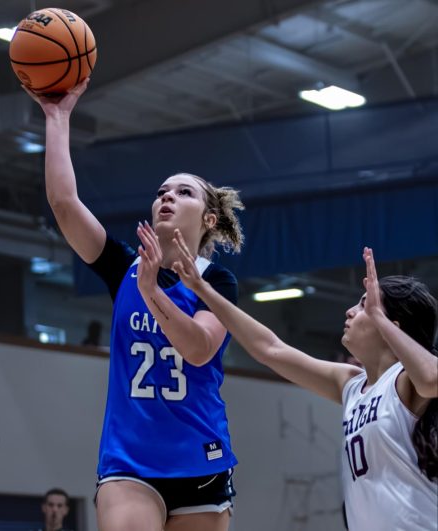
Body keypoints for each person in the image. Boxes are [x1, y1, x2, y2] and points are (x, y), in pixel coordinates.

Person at [23, 79, 245, 531]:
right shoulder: (124, 266)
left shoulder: (217, 281)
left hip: (200, 462)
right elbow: (64, 204)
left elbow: (199, 348)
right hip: (131, 463)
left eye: (184, 192)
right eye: (162, 190)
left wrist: (153, 294)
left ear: (208, 219)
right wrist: (57, 117)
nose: (167, 196)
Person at [172, 236, 438, 531]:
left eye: (364, 306)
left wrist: (379, 316)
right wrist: (204, 290)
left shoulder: (404, 382)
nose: (350, 311)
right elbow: (270, 349)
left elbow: (431, 380)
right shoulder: (351, 384)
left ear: (392, 326)